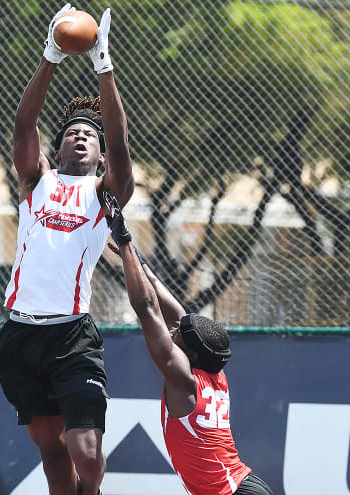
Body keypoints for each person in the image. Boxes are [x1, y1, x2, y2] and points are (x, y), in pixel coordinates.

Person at [0, 5, 133, 495]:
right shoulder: (37, 182)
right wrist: (51, 54)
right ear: (58, 149)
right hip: (19, 336)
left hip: (72, 336)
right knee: (52, 451)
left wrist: (104, 65)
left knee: (87, 453)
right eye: (72, 132)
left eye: (89, 136)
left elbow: (119, 145)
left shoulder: (104, 193)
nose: (81, 136)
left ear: (98, 156)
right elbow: (23, 124)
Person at [105, 194, 274, 495]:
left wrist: (126, 240)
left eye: (178, 334)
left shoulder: (183, 380)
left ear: (190, 353)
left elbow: (147, 309)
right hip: (241, 485)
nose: (173, 329)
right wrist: (132, 255)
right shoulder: (213, 375)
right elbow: (168, 304)